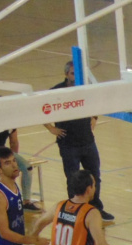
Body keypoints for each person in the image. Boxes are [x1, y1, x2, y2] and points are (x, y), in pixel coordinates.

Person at [46, 61, 114, 223]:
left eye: (78, 74)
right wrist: (51, 128)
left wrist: (94, 117)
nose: (75, 77)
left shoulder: (85, 90)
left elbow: (96, 103)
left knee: (94, 176)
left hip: (88, 141)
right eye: (72, 74)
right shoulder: (56, 91)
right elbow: (40, 109)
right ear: (66, 74)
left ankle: (96, 208)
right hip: (68, 144)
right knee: (73, 179)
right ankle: (74, 211)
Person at [0, 129, 40, 211]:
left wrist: (13, 162)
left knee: (27, 168)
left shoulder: (11, 126)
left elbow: (14, 142)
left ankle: (26, 202)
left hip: (2, 152)